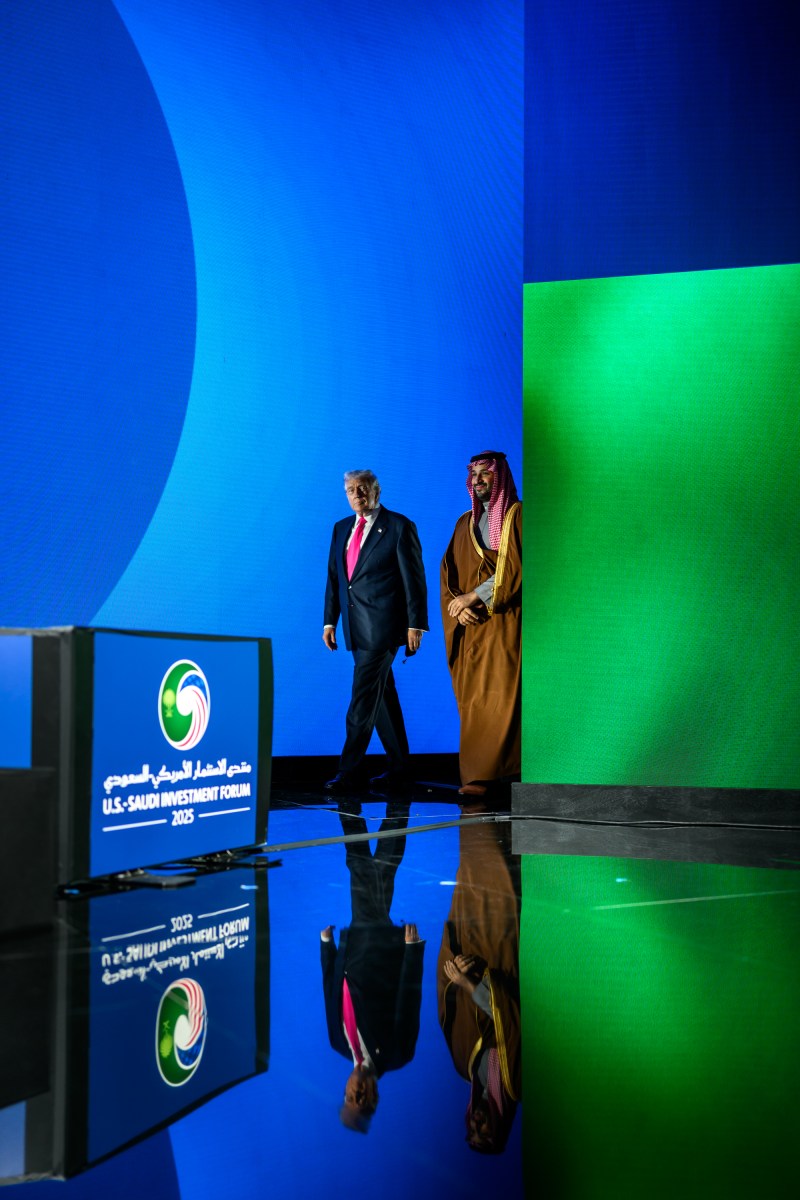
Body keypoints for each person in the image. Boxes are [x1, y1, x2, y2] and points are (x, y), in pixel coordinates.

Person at [321, 796, 424, 1134]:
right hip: (382, 945)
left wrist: (327, 947)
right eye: (364, 1101)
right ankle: (355, 804)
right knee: (362, 866)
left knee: (379, 868)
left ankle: (395, 806)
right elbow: (408, 1001)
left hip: (355, 944)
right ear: (375, 1098)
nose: (359, 1093)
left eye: (352, 1097)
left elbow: (329, 991)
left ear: (346, 1091)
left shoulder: (337, 1043)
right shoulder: (397, 1054)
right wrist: (413, 951)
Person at [323, 469, 428, 792]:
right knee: (382, 696)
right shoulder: (341, 528)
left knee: (362, 700)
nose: (358, 494)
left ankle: (349, 771)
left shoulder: (398, 526)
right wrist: (330, 621)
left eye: (363, 488)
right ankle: (400, 768)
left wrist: (416, 624)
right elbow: (336, 579)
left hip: (384, 628)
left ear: (376, 490)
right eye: (352, 490)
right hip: (356, 628)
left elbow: (414, 580)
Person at [440, 452, 522, 796]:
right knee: (475, 701)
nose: (478, 480)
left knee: (502, 697)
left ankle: (496, 774)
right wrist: (457, 609)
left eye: (484, 474)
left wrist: (472, 597)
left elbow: (516, 567)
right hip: (473, 628)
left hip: (503, 623)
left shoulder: (517, 516)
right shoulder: (464, 523)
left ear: (499, 477)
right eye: (473, 474)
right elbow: (448, 575)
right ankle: (475, 774)